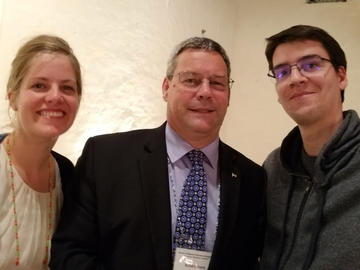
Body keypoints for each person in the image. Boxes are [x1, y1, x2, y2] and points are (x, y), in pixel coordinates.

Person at [50, 37, 266, 270]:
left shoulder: (251, 178)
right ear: (166, 88)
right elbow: (69, 253)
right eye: (191, 80)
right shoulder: (105, 158)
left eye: (217, 83)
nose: (205, 92)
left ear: (229, 95)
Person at [261, 25, 360, 270]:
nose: (295, 78)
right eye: (282, 72)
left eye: (311, 65)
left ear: (341, 76)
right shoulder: (273, 169)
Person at [0, 35, 82, 269]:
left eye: (67, 87)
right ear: (13, 97)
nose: (55, 96)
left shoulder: (68, 176)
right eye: (39, 85)